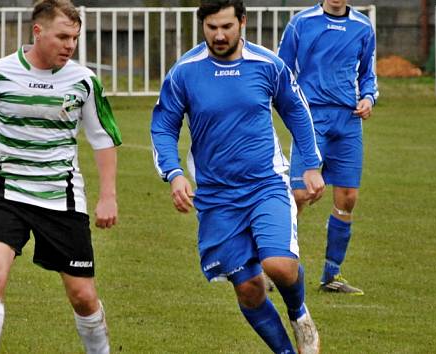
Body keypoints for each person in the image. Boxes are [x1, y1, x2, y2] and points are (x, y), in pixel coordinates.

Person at [0, 1, 121, 353]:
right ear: (38, 31)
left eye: (75, 38)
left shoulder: (84, 81)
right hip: (7, 193)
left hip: (62, 197)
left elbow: (103, 138)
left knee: (83, 296)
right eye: (63, 36)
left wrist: (108, 196)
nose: (70, 45)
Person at [151, 1, 325, 352]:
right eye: (212, 27)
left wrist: (311, 164)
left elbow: (296, 111)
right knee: (248, 289)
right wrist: (174, 174)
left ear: (242, 22)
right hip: (216, 197)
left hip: (266, 185)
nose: (219, 35)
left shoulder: (267, 65)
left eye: (227, 26)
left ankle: (299, 312)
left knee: (279, 266)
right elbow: (164, 127)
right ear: (202, 25)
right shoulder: (185, 71)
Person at [278, 0, 378, 295]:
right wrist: (293, 108)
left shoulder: (362, 26)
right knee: (299, 194)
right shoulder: (301, 23)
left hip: (348, 120)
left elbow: (367, 73)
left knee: (347, 198)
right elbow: (282, 71)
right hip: (312, 117)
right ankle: (274, 266)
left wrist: (369, 98)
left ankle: (331, 275)